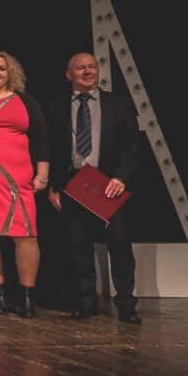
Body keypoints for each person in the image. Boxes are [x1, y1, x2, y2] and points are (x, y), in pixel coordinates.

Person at [46, 53, 143, 323]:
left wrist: (121, 177)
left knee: (120, 247)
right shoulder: (56, 106)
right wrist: (53, 186)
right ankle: (85, 303)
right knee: (78, 247)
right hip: (73, 183)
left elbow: (133, 146)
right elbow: (50, 149)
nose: (88, 71)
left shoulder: (118, 103)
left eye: (92, 67)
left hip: (109, 184)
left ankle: (127, 305)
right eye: (81, 68)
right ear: (69, 75)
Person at [0, 51, 50, 317]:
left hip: (18, 178)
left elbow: (41, 137)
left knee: (26, 235)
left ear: (10, 73)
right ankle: (0, 295)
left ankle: (27, 296)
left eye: (1, 68)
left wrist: (42, 173)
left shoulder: (24, 100)